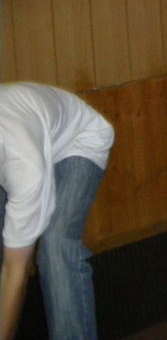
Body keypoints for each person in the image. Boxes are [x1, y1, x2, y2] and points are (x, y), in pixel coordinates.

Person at [1, 82, 114, 340]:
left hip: (78, 140)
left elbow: (16, 269)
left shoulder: (24, 166)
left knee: (56, 245)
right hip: (32, 128)